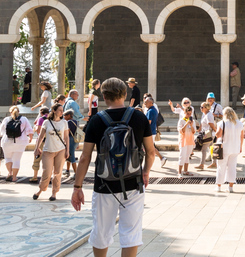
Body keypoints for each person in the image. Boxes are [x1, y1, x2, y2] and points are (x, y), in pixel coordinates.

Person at [71, 77, 154, 257]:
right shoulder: (139, 117)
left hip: (103, 185)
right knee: (131, 234)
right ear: (125, 94)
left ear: (104, 96)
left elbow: (85, 157)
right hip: (133, 183)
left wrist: (77, 187)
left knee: (101, 232)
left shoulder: (96, 120)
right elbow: (151, 151)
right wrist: (145, 172)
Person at [32, 103, 69, 201]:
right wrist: (36, 148)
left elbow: (66, 137)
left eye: (62, 110)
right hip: (48, 150)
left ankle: (54, 193)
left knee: (57, 173)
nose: (62, 112)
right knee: (47, 173)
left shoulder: (64, 123)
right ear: (54, 111)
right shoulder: (46, 122)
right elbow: (41, 136)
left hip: (60, 150)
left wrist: (67, 150)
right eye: (60, 110)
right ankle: (40, 190)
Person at [0, 106, 33, 182]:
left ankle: (10, 173)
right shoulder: (24, 119)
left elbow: (1, 131)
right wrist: (30, 138)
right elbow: (29, 129)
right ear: (19, 111)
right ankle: (14, 177)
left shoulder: (6, 119)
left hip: (7, 141)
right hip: (20, 142)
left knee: (8, 158)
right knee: (17, 160)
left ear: (10, 112)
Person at [214, 107, 244, 193]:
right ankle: (231, 187)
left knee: (221, 166)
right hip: (235, 148)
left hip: (224, 148)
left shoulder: (222, 123)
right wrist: (240, 146)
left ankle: (219, 186)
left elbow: (218, 135)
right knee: (232, 167)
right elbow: (241, 136)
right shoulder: (239, 123)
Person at [143, 97, 167, 168]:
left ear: (150, 102)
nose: (145, 104)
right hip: (152, 131)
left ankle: (149, 165)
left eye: (146, 102)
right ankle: (161, 158)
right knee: (150, 148)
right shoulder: (153, 110)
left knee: (149, 149)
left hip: (149, 133)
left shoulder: (150, 111)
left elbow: (148, 123)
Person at [29, 106, 50, 183]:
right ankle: (48, 178)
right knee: (49, 159)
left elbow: (38, 130)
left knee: (37, 158)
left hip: (41, 141)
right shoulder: (52, 118)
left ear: (41, 113)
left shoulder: (41, 119)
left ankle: (35, 177)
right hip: (50, 141)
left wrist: (34, 128)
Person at [177, 106, 196, 177]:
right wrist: (186, 124)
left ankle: (185, 170)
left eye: (190, 114)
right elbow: (181, 131)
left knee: (187, 156)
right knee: (182, 156)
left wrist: (191, 125)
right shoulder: (181, 121)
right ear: (184, 113)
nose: (189, 115)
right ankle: (179, 172)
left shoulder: (192, 121)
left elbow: (194, 131)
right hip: (183, 140)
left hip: (190, 140)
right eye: (187, 113)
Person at [195, 102, 214, 171]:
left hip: (208, 134)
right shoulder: (205, 114)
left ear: (206, 108)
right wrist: (200, 128)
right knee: (212, 148)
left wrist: (216, 131)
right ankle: (214, 162)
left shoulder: (209, 115)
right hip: (206, 134)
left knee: (204, 149)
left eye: (202, 107)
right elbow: (202, 122)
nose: (201, 108)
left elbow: (211, 124)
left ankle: (202, 164)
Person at [63, 109, 78, 178]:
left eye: (65, 115)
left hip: (70, 140)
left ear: (69, 115)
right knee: (69, 155)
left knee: (71, 156)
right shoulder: (76, 121)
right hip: (75, 139)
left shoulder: (68, 122)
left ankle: (76, 173)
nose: (64, 116)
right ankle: (67, 170)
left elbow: (67, 132)